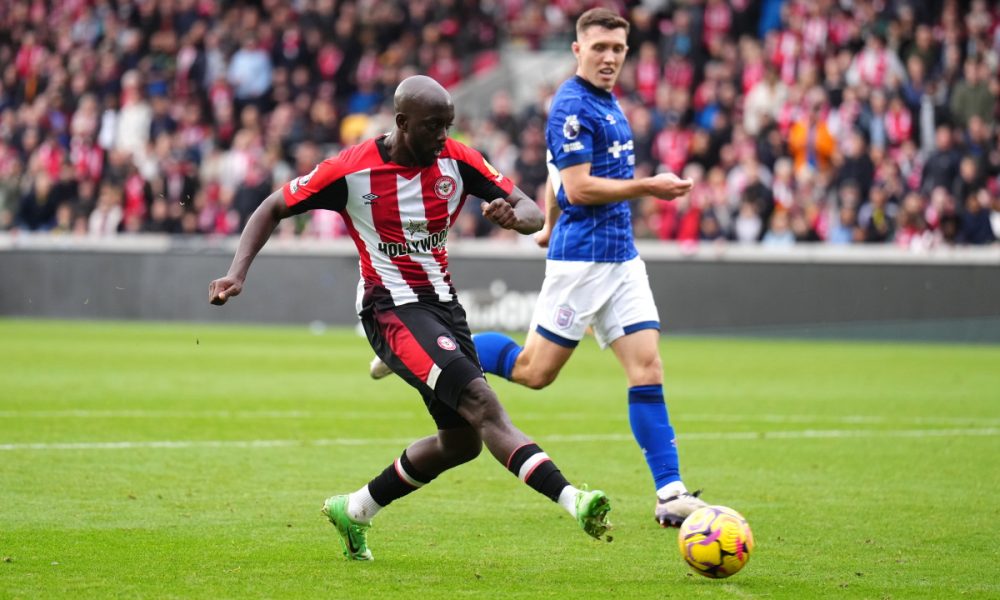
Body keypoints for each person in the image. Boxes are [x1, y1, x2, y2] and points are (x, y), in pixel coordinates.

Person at [209, 76, 611, 561]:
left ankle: (354, 509)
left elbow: (529, 211)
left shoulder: (458, 160)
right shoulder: (350, 170)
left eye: (449, 126)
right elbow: (273, 206)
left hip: (443, 306)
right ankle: (575, 500)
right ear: (402, 123)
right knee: (483, 404)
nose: (443, 137)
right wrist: (237, 273)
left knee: (461, 443)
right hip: (389, 309)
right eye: (433, 127)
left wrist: (514, 216)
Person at [431, 8, 704, 528]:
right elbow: (579, 186)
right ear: (578, 49)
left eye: (618, 50)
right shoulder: (571, 107)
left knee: (647, 368)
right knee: (535, 373)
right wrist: (649, 186)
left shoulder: (610, 103)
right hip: (582, 261)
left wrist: (548, 224)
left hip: (621, 258)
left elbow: (558, 181)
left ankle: (669, 494)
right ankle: (441, 350)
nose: (609, 57)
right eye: (599, 47)